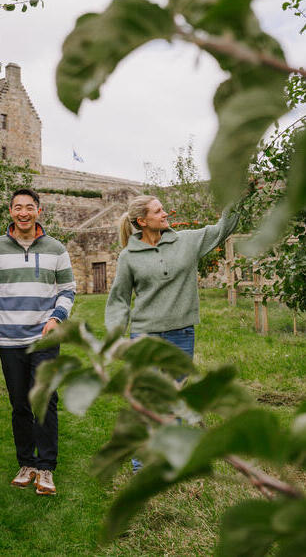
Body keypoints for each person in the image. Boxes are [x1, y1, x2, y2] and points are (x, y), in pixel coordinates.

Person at [105, 195, 239, 471]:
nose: (166, 214)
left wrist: (238, 196)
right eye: (158, 211)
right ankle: (141, 468)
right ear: (142, 221)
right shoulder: (128, 256)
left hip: (181, 334)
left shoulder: (187, 241)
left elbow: (223, 228)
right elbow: (119, 299)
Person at [0, 188, 76, 496]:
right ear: (10, 212)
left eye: (29, 207)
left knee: (45, 401)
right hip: (9, 339)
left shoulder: (56, 248)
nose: (23, 212)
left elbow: (68, 289)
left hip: (44, 336)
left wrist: (56, 318)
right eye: (17, 207)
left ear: (39, 211)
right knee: (20, 403)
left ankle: (46, 468)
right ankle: (27, 463)